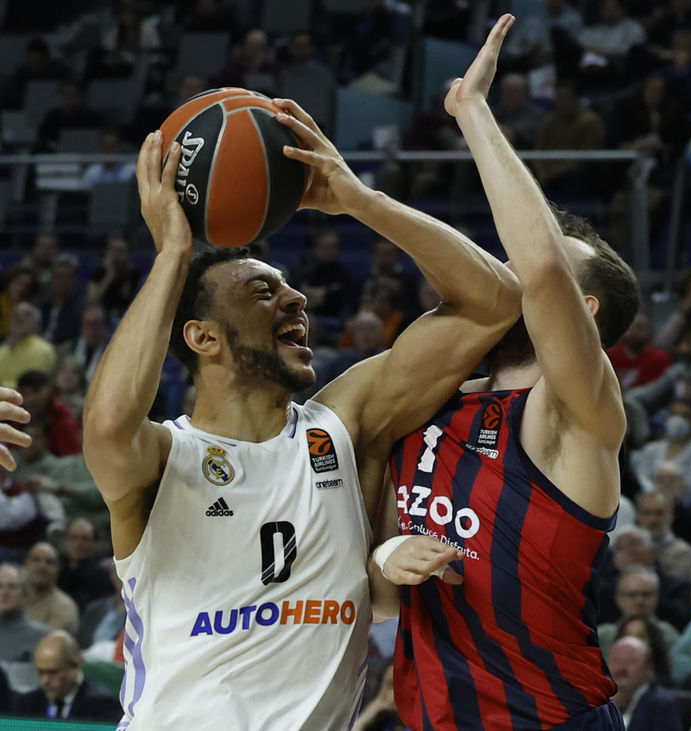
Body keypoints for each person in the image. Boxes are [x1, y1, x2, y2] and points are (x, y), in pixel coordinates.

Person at [80, 86, 521, 726]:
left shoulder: (345, 425)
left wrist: (360, 200)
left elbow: (495, 303)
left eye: (291, 288)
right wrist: (173, 254)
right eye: (263, 292)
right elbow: (107, 424)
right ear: (203, 338)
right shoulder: (163, 458)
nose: (297, 300)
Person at [371, 15, 641, 730]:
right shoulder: (430, 401)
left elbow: (545, 266)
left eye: (522, 263)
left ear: (583, 311)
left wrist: (472, 111)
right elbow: (380, 597)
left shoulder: (578, 411)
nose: (510, 269)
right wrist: (388, 552)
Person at [13, 630, 120, 720]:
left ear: (75, 666)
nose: (45, 681)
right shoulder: (27, 705)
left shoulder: (103, 706)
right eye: (40, 672)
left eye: (52, 672)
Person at [610, 636, 684, 731]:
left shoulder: (662, 704)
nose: (621, 668)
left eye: (630, 661)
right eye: (616, 660)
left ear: (649, 668)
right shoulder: (599, 703)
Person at [22, 542, 77, 635]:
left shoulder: (64, 606)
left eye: (49, 562)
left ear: (58, 570)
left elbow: (51, 641)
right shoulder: (11, 598)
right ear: (25, 565)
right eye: (36, 560)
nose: (42, 567)